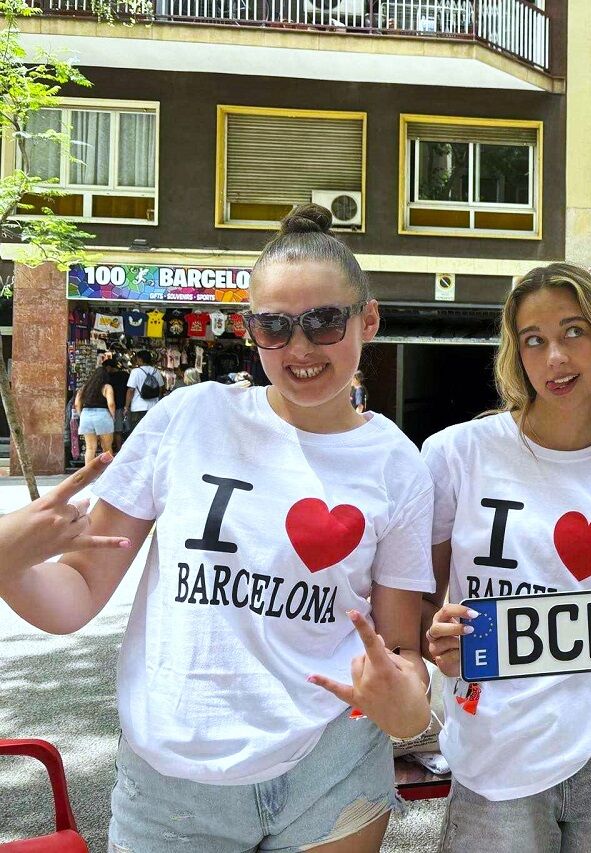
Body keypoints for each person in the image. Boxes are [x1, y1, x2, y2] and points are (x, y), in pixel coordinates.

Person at [0, 203, 437, 852]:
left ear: (367, 320)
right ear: (249, 329)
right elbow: (78, 593)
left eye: (324, 321)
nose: (299, 348)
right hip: (172, 783)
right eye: (273, 326)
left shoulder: (399, 464)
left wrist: (406, 699)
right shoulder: (188, 418)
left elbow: (400, 650)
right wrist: (8, 560)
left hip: (332, 770)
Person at [423, 262, 591, 852]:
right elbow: (420, 605)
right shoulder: (456, 454)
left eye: (573, 332)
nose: (555, 357)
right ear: (517, 353)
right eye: (534, 340)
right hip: (494, 742)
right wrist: (436, 640)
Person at [74, 362, 117, 458]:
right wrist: (113, 416)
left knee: (90, 448)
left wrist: (81, 415)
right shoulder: (107, 387)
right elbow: (111, 403)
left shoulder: (84, 387)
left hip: (86, 416)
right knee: (107, 448)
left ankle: (88, 468)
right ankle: (108, 467)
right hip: (103, 416)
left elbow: (77, 404)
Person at [123, 350, 163, 431]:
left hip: (138, 407)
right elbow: (161, 388)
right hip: (153, 407)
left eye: (137, 358)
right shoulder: (157, 371)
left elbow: (131, 390)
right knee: (151, 431)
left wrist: (126, 407)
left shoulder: (135, 372)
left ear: (140, 359)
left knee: (138, 431)